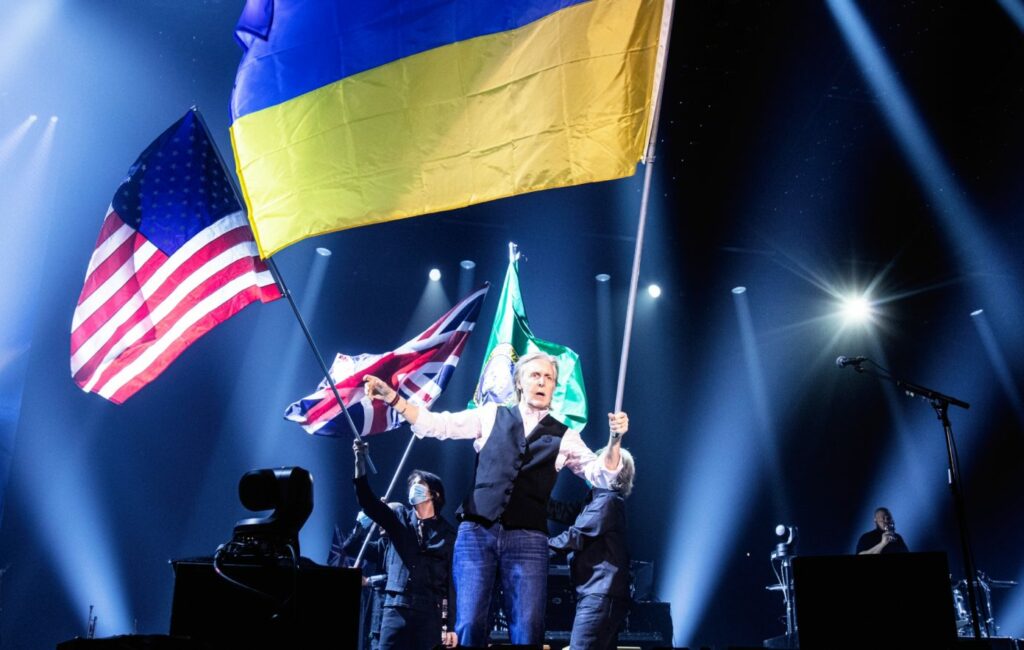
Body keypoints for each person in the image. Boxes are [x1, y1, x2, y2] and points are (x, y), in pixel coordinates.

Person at [363, 351, 629, 647]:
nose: (542, 382)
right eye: (535, 375)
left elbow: (600, 474)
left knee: (528, 627)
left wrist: (614, 442)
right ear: (520, 383)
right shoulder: (491, 415)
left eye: (549, 378)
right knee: (470, 624)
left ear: (555, 388)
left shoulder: (564, 435)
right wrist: (393, 398)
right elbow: (438, 425)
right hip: (477, 532)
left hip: (528, 539)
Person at [352, 440, 458, 649]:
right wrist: (360, 464)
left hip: (429, 614)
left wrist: (449, 625)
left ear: (434, 494)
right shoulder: (399, 517)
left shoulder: (448, 534)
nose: (412, 489)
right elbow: (368, 502)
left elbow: (449, 586)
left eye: (418, 485)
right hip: (396, 608)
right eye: (410, 486)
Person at [549, 447, 635, 650]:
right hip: (599, 593)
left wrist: (533, 550)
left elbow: (575, 536)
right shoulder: (596, 500)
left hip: (601, 594)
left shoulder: (607, 501)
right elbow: (562, 511)